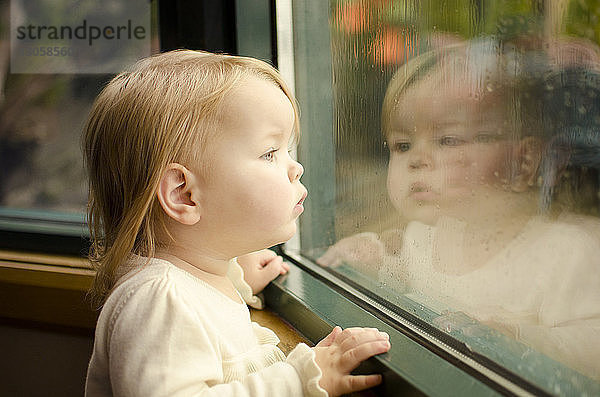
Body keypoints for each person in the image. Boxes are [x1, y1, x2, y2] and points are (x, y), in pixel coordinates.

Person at [83, 50, 391, 397]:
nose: (296, 168)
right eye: (270, 153)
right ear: (184, 194)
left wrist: (235, 279)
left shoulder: (192, 281)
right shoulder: (159, 300)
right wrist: (298, 381)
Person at [320, 38, 600, 380]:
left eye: (448, 140)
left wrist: (522, 339)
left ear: (524, 161)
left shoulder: (567, 252)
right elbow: (407, 276)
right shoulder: (428, 236)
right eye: (403, 145)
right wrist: (372, 259)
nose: (417, 161)